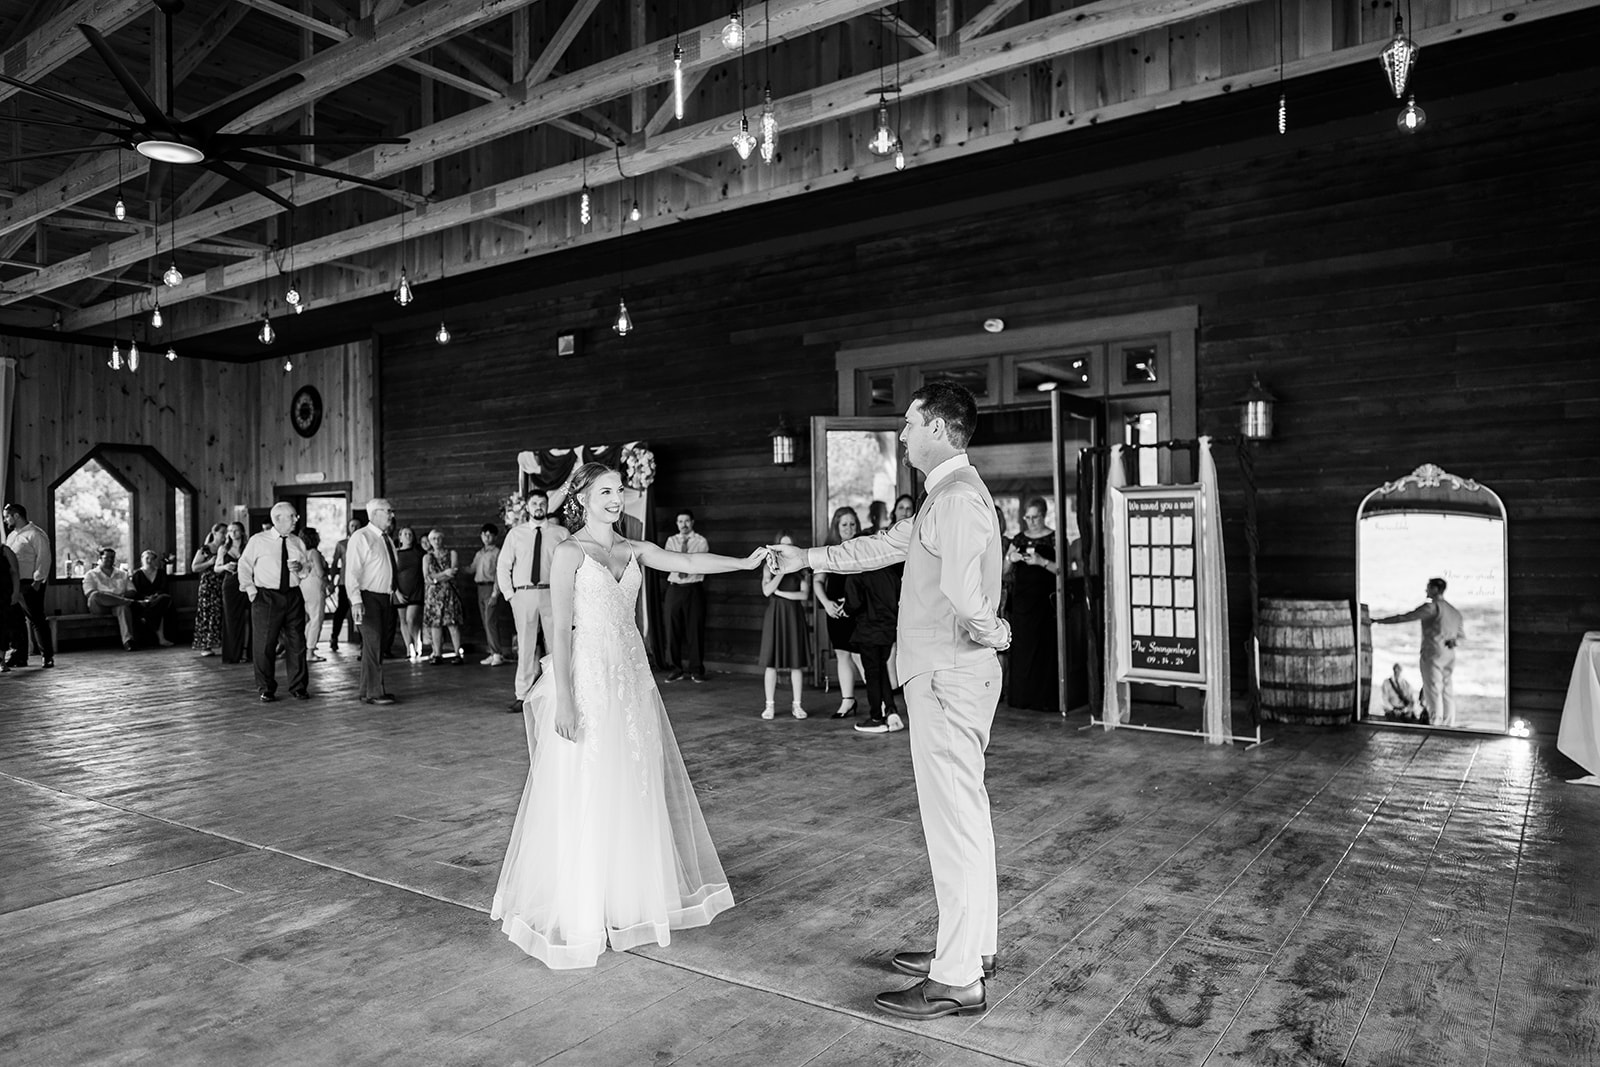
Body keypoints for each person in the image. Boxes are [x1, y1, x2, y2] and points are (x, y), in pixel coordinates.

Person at [770, 380, 1010, 1020]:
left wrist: (996, 632)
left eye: (908, 424)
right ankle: (972, 949)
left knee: (952, 825)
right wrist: (805, 556)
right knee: (969, 818)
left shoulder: (956, 500)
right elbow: (883, 546)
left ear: (937, 427)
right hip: (949, 673)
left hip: (946, 675)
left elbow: (963, 594)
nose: (902, 435)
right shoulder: (944, 498)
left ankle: (957, 977)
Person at [491, 462, 767, 969]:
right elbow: (559, 630)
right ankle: (584, 904)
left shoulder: (634, 549)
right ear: (580, 496)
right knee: (591, 780)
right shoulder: (569, 553)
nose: (617, 498)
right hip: (590, 678)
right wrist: (567, 701)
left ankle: (627, 897)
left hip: (632, 680)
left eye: (620, 490)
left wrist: (746, 563)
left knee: (632, 780)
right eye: (606, 490)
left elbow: (695, 565)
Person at [498, 489, 569, 713]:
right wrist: (510, 595)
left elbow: (570, 565)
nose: (538, 506)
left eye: (542, 503)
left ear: (547, 506)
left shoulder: (561, 533)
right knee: (526, 645)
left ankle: (557, 692)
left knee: (555, 643)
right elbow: (503, 565)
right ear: (527, 507)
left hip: (552, 593)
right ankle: (523, 694)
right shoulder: (515, 534)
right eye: (534, 503)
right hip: (524, 594)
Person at [237, 502, 311, 703]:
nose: (297, 519)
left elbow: (306, 569)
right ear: (278, 519)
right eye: (293, 516)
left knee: (297, 643)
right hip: (266, 597)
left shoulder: (297, 542)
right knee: (265, 644)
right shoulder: (258, 541)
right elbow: (243, 566)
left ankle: (298, 687)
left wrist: (300, 569)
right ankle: (266, 688)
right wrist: (252, 592)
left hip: (293, 595)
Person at [1374, 578, 1465, 727]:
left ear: (1435, 589)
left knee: (1433, 691)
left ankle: (1435, 725)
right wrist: (1451, 641)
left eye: (1428, 587)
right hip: (1449, 655)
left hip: (1433, 654)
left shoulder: (1432, 607)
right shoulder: (1454, 611)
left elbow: (1406, 617)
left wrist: (1379, 621)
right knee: (1447, 690)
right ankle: (1448, 724)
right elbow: (1460, 637)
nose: (1426, 590)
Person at [1005, 497, 1060, 712]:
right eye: (1027, 517)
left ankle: (1045, 700)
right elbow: (1002, 571)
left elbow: (1064, 571)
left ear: (1044, 515)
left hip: (1046, 603)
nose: (1031, 522)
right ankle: (1021, 698)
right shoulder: (1018, 538)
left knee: (1044, 650)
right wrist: (1012, 558)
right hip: (1022, 603)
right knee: (1022, 650)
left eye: (1035, 517)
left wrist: (1042, 562)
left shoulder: (1054, 537)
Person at [345, 498, 399, 705]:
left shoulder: (387, 539)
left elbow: (387, 568)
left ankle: (367, 690)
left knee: (375, 644)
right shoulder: (361, 537)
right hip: (367, 598)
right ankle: (375, 693)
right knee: (374, 642)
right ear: (375, 514)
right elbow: (352, 572)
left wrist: (394, 591)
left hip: (384, 598)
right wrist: (356, 601)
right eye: (388, 511)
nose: (391, 515)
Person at [846, 552, 904, 734]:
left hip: (868, 629)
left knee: (872, 673)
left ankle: (876, 717)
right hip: (888, 629)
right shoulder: (890, 572)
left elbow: (853, 604)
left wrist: (846, 608)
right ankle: (891, 710)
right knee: (881, 669)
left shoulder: (857, 573)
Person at [814, 507, 864, 718]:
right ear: (836, 526)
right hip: (835, 611)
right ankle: (847, 701)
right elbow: (818, 581)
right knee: (842, 654)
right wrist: (826, 603)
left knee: (861, 656)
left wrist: (853, 603)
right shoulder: (828, 551)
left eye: (852, 524)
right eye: (844, 524)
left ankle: (880, 703)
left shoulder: (863, 548)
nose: (849, 528)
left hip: (858, 612)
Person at [757, 532, 810, 720]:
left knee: (796, 662)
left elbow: (804, 595)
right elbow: (767, 590)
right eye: (782, 545)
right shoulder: (769, 568)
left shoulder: (802, 569)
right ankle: (769, 705)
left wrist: (782, 594)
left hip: (793, 614)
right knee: (771, 662)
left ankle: (797, 705)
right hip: (775, 615)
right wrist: (781, 572)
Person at [3, 502, 54, 668]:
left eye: (7, 516)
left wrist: (37, 582)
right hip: (14, 584)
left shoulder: (35, 534)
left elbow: (44, 558)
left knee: (36, 620)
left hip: (30, 583)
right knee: (16, 621)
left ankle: (47, 656)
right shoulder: (11, 536)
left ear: (16, 516)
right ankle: (20, 656)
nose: (5, 520)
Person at [662, 509, 709, 683]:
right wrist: (685, 561)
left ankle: (696, 670)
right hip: (674, 589)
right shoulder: (671, 541)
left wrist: (681, 561)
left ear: (692, 522)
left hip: (694, 589)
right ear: (677, 524)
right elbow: (668, 562)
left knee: (695, 630)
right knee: (672, 630)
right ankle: (676, 669)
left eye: (687, 521)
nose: (683, 524)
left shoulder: (701, 541)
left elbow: (698, 564)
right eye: (680, 521)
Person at [82, 548, 140, 650]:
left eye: (112, 557)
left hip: (117, 605)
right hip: (99, 606)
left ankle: (128, 642)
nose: (110, 560)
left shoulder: (122, 574)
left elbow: (132, 591)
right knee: (96, 595)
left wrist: (116, 599)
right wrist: (113, 597)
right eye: (106, 557)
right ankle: (132, 603)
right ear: (100, 558)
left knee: (123, 608)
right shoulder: (91, 574)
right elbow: (90, 593)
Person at [423, 528, 466, 664]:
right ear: (430, 541)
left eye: (439, 538)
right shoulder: (427, 557)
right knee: (435, 625)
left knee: (452, 624)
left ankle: (457, 653)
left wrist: (436, 578)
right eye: (433, 539)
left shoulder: (452, 553)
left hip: (449, 593)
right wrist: (444, 574)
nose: (436, 541)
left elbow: (453, 572)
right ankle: (437, 654)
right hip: (433, 596)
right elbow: (427, 578)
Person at [472, 523, 507, 666]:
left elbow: (500, 573)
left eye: (489, 534)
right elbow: (472, 569)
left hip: (490, 588)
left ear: (495, 536)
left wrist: (495, 593)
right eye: (484, 534)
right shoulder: (479, 553)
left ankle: (497, 653)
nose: (486, 537)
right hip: (479, 588)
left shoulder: (498, 552)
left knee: (490, 621)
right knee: (485, 622)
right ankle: (493, 653)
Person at [191, 523, 227, 657]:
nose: (224, 535)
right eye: (222, 532)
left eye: (226, 532)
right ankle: (206, 645)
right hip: (209, 584)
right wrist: (209, 563)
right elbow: (194, 567)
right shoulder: (205, 549)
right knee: (208, 613)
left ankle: (224, 643)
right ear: (215, 533)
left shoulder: (227, 548)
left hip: (223, 583)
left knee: (222, 613)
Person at [328, 518, 363, 652]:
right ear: (348, 527)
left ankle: (363, 640)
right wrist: (332, 581)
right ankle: (334, 637)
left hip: (360, 583)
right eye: (352, 525)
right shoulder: (342, 544)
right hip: (344, 582)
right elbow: (335, 562)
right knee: (341, 611)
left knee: (359, 611)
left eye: (357, 526)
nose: (354, 528)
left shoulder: (362, 543)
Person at [131, 550, 178, 646]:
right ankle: (161, 638)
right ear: (142, 560)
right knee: (158, 609)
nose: (149, 561)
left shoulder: (161, 573)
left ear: (155, 561)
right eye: (146, 558)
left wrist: (155, 596)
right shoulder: (137, 574)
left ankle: (146, 616)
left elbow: (164, 588)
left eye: (152, 559)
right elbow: (136, 592)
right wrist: (146, 597)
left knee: (165, 598)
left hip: (159, 599)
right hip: (144, 601)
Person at [393, 526, 426, 661]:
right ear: (400, 537)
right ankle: (409, 646)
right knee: (403, 620)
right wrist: (396, 592)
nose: (407, 536)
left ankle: (417, 642)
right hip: (400, 590)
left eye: (410, 534)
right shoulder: (395, 553)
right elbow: (391, 574)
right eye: (405, 534)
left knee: (411, 619)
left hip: (416, 590)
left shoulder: (418, 552)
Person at [219, 522, 250, 664]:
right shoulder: (223, 549)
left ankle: (249, 652)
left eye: (236, 530)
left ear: (242, 532)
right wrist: (226, 566)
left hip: (248, 583)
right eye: (230, 531)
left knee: (250, 618)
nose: (233, 533)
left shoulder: (249, 546)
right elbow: (216, 568)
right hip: (230, 585)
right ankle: (233, 654)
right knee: (231, 619)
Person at [300, 529, 328, 662]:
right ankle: (310, 651)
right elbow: (320, 572)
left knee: (310, 618)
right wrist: (327, 582)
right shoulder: (314, 553)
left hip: (304, 585)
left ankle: (306, 647)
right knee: (317, 617)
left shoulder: (301, 553)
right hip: (315, 585)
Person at [0, 540, 18, 674]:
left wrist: (15, 592)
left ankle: (2, 660)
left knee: (3, 628)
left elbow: (14, 572)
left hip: (3, 594)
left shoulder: (5, 551)